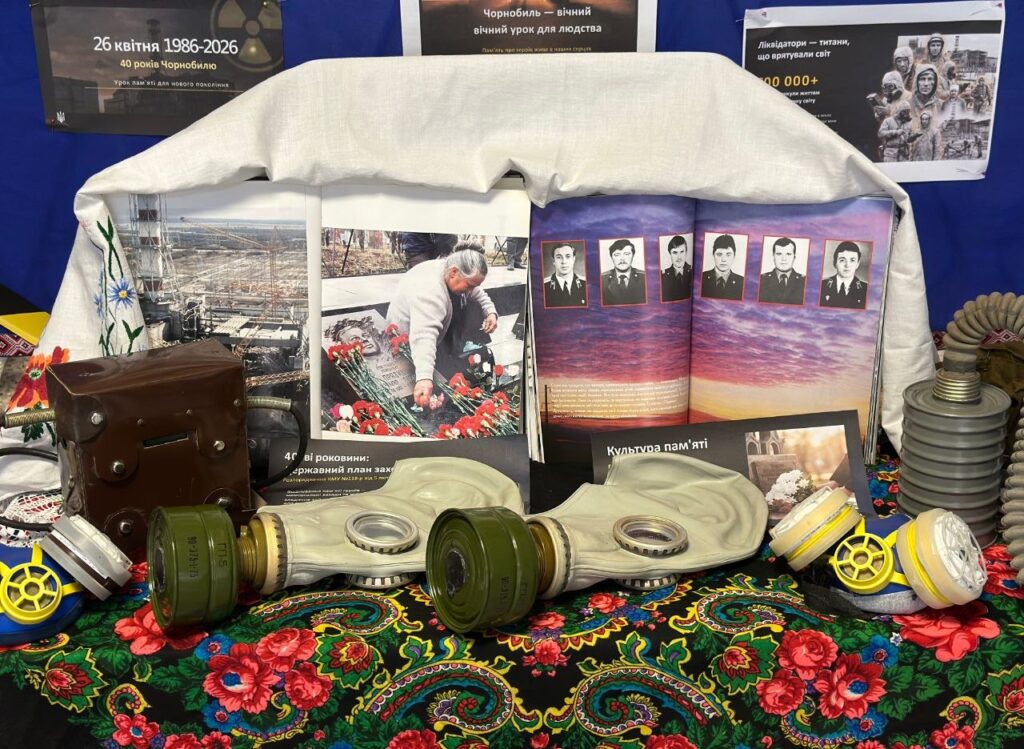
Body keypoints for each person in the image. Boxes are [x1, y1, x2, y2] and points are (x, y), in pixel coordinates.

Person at [386, 248, 497, 406]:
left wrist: (490, 311)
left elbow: (476, 291)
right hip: (407, 340)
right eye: (469, 286)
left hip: (424, 332)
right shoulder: (430, 291)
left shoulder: (449, 267)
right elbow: (424, 336)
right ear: (454, 272)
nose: (471, 291)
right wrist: (424, 378)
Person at [820, 241, 869, 309]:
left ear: (857, 264)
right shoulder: (822, 286)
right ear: (835, 263)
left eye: (852, 260)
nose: (847, 265)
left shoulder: (866, 289)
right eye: (842, 260)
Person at [758, 237, 806, 305]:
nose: (783, 259)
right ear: (773, 256)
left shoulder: (804, 281)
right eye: (779, 254)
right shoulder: (761, 280)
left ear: (794, 257)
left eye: (788, 254)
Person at [600, 238, 646, 305]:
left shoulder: (644, 277)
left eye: (627, 254)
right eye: (617, 255)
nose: (622, 259)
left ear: (633, 255)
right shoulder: (602, 280)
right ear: (611, 257)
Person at [700, 234, 744, 300]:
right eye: (719, 254)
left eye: (728, 255)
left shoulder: (742, 282)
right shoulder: (701, 278)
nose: (723, 259)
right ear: (713, 255)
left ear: (734, 256)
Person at [543, 242, 587, 307]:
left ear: (573, 259)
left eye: (568, 256)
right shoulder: (544, 285)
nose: (564, 261)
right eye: (559, 257)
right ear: (553, 261)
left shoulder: (585, 283)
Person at [660, 235, 692, 302]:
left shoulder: (693, 272)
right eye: (675, 252)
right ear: (670, 254)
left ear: (686, 252)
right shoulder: (662, 276)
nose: (679, 257)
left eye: (682, 252)